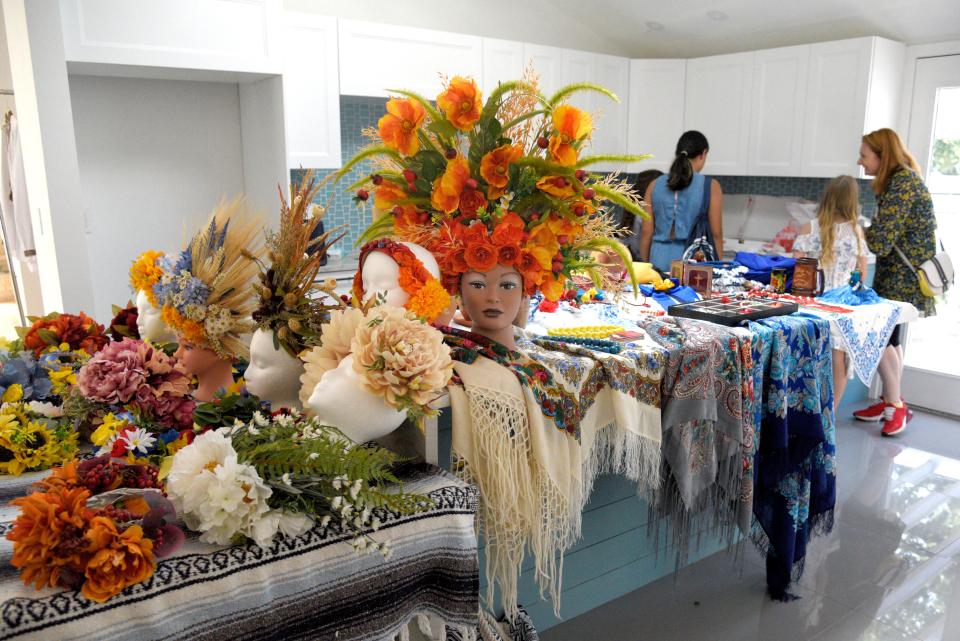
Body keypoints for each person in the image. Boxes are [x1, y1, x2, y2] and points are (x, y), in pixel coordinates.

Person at [852, 128, 937, 437]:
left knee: (880, 338)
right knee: (892, 338)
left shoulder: (902, 185)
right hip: (902, 275)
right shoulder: (899, 182)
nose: (860, 161)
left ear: (882, 155)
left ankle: (895, 405)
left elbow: (883, 241)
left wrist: (854, 225)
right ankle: (893, 400)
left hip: (903, 277)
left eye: (864, 155)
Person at [793, 175, 870, 406]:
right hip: (842, 307)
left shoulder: (809, 228)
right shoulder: (856, 231)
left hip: (811, 306)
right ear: (851, 202)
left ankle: (805, 411)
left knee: (806, 358)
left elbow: (798, 270)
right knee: (838, 361)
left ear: (826, 198)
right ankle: (830, 417)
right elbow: (862, 274)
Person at [639, 131, 723, 271]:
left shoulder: (653, 185)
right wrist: (719, 270)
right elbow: (716, 235)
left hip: (658, 261)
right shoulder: (711, 186)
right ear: (703, 154)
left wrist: (645, 268)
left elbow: (646, 233)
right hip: (693, 263)